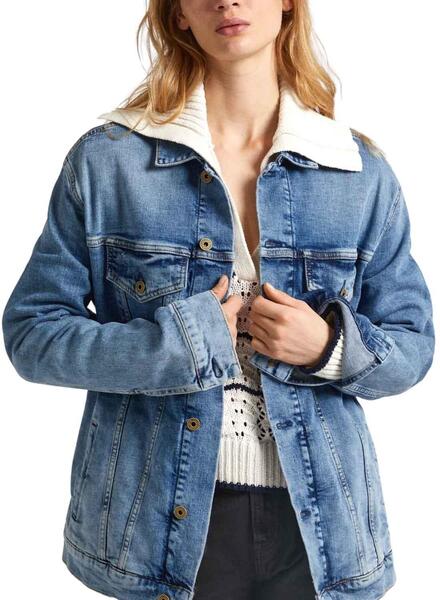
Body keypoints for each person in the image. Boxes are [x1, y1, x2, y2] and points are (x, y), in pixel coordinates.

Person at [2, 1, 435, 600]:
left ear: (287, 3)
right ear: (179, 13)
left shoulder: (357, 172)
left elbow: (413, 346)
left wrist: (330, 348)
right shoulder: (108, 162)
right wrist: (177, 345)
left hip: (322, 530)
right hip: (156, 525)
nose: (228, 1)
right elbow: (33, 335)